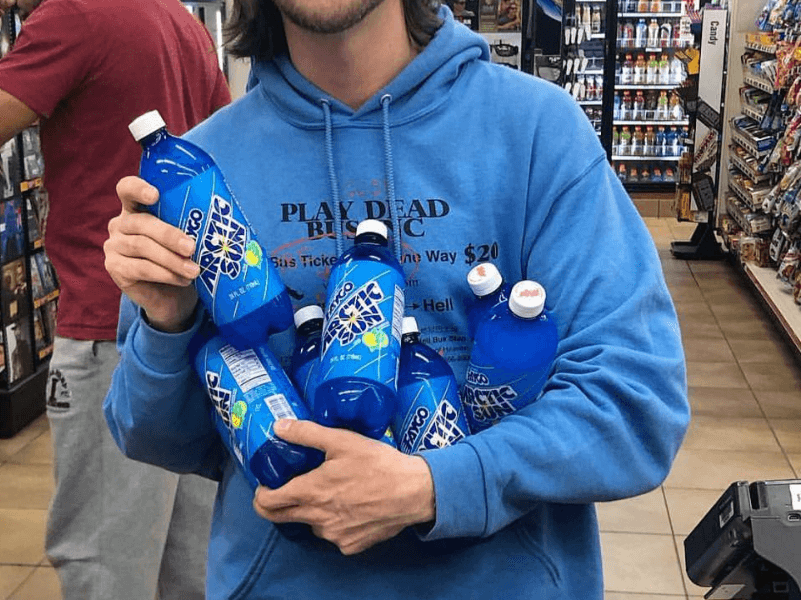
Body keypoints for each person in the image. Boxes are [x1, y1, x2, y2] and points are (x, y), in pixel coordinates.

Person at [102, 0, 690, 598]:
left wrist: (436, 487)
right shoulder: (200, 175)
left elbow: (636, 403)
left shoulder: (536, 131)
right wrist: (167, 322)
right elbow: (155, 439)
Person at [0, 0, 230, 598]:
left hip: (109, 330)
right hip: (197, 326)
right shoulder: (178, 18)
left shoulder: (72, 14)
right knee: (191, 567)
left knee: (103, 563)